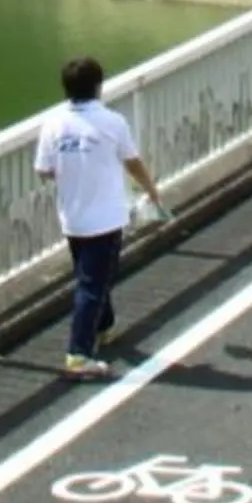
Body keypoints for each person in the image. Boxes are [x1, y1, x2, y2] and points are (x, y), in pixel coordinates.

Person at [33, 56, 164, 379]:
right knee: (92, 284)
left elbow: (43, 170)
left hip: (72, 217)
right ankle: (78, 354)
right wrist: (151, 189)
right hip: (106, 217)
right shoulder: (113, 122)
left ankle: (105, 327)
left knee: (93, 276)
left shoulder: (53, 123)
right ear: (98, 87)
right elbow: (132, 161)